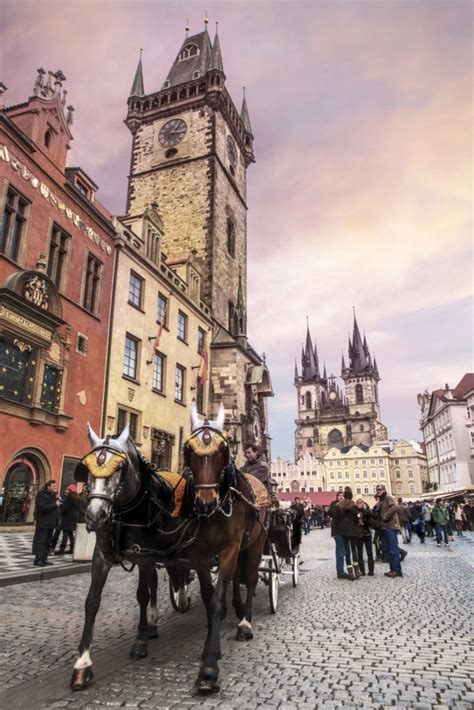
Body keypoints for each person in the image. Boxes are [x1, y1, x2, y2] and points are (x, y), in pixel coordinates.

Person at [333, 487, 361, 580]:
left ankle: (350, 573)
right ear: (351, 495)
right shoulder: (354, 505)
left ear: (344, 495)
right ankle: (357, 571)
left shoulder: (339, 506)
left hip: (343, 531)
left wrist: (336, 531)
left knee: (347, 552)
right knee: (354, 550)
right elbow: (356, 520)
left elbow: (335, 520)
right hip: (352, 530)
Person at [374, 484, 402, 578]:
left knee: (393, 549)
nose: (378, 491)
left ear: (384, 490)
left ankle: (396, 570)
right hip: (384, 527)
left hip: (390, 526)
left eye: (380, 489)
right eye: (377, 489)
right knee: (388, 549)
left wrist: (386, 516)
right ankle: (392, 569)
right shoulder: (380, 501)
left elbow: (394, 507)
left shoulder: (388, 498)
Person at [32, 480, 61, 567]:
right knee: (41, 541)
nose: (54, 488)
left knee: (48, 542)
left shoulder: (53, 496)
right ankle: (38, 559)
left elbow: (54, 507)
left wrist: (58, 504)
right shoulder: (41, 495)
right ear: (48, 486)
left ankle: (44, 558)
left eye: (55, 486)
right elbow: (42, 507)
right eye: (53, 486)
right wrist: (55, 505)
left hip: (51, 523)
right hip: (43, 522)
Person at [54, 484, 80, 554]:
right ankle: (72, 548)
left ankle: (62, 550)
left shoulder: (69, 498)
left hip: (68, 517)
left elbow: (65, 508)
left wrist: (61, 510)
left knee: (65, 533)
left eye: (68, 489)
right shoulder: (77, 498)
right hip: (74, 517)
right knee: (70, 533)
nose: (67, 491)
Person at [329, 491, 347, 579]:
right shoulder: (334, 504)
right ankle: (340, 571)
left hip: (345, 531)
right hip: (337, 531)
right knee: (340, 550)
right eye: (339, 495)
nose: (341, 497)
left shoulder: (346, 504)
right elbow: (331, 513)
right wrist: (338, 505)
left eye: (342, 495)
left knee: (343, 551)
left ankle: (342, 570)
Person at [355, 498, 374, 576]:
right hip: (359, 534)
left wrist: (366, 517)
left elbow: (371, 521)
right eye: (358, 503)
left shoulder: (367, 512)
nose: (359, 504)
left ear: (363, 503)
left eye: (360, 503)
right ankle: (362, 570)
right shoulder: (354, 512)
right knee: (359, 554)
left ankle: (371, 570)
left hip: (367, 534)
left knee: (370, 553)